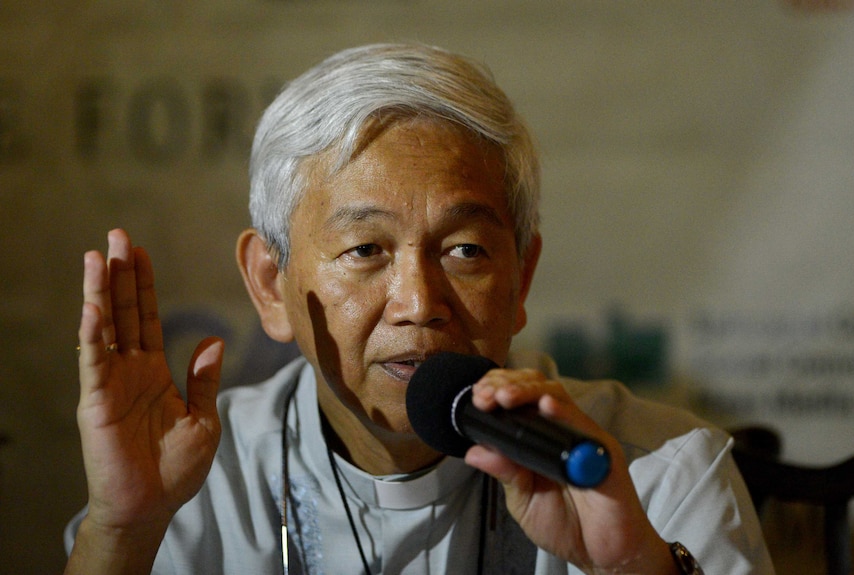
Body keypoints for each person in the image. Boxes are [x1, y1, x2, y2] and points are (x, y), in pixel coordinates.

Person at [65, 43, 774, 574]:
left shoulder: (654, 473)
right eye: (366, 249)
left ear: (521, 279)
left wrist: (635, 568)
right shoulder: (196, 484)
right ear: (269, 282)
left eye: (465, 250)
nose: (419, 302)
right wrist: (123, 532)